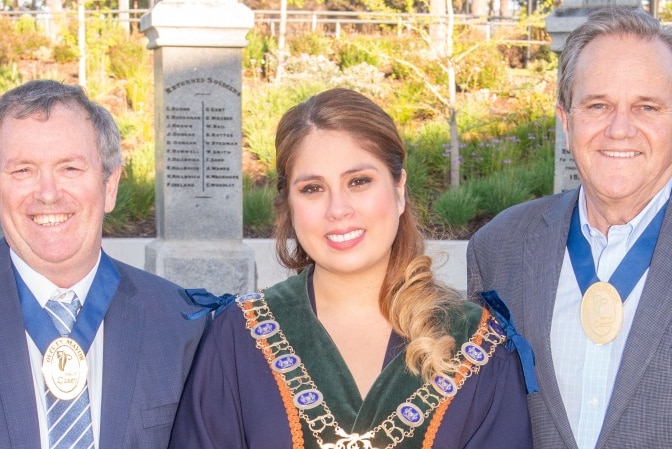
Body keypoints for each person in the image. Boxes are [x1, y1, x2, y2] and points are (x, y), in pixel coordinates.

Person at [169, 88, 533, 449]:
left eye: (358, 182)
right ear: (289, 205)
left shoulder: (479, 345)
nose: (338, 209)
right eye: (312, 188)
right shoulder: (238, 337)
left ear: (399, 188)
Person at [467, 6, 672, 449]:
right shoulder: (497, 248)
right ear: (566, 120)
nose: (620, 129)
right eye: (598, 105)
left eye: (647, 106)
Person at [0, 79, 205, 449]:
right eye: (22, 171)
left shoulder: (183, 326)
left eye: (70, 169)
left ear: (110, 185)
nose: (47, 193)